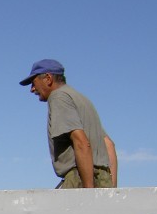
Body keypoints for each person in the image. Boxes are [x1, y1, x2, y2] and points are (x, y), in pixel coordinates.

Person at [20, 59, 118, 189]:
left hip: (80, 178)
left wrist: (88, 192)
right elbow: (109, 145)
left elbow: (81, 142)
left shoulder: (58, 98)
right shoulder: (81, 99)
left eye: (33, 83)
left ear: (48, 78)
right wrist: (112, 189)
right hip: (102, 179)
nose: (32, 89)